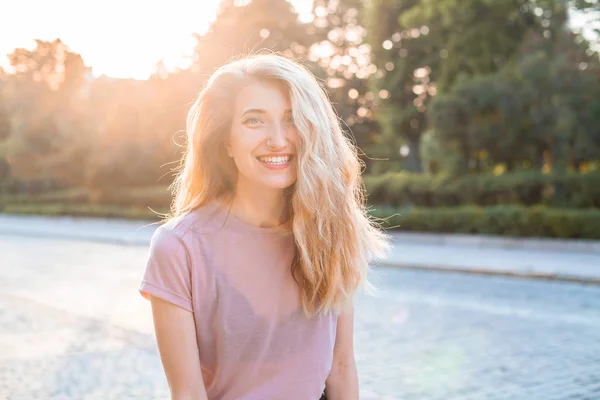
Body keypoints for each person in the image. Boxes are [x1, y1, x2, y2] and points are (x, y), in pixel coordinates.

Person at [139, 54, 388, 400]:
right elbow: (187, 393)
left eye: (291, 119)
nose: (278, 140)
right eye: (254, 121)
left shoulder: (332, 231)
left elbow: (342, 369)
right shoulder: (179, 247)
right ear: (226, 140)